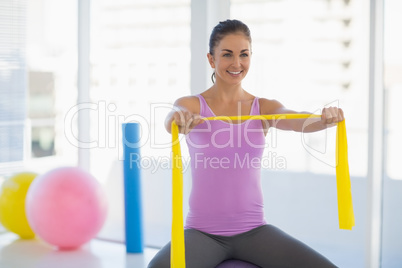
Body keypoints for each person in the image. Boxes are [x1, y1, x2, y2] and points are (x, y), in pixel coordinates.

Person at [148, 19, 341, 268]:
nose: (237, 63)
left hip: (254, 232)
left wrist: (324, 120)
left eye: (244, 54)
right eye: (227, 54)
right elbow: (172, 118)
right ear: (211, 59)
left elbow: (297, 120)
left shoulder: (263, 108)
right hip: (202, 234)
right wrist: (178, 119)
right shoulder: (193, 105)